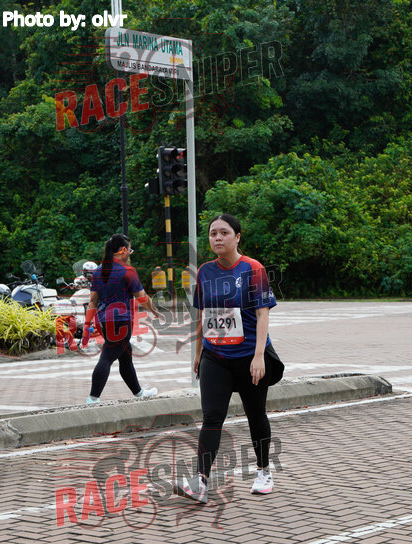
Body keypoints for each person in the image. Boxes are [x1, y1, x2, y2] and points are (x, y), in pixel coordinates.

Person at [175, 214, 283, 503]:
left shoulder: (253, 269)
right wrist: (198, 353)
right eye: (213, 234)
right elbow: (202, 315)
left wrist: (259, 356)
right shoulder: (205, 272)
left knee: (255, 414)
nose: (218, 238)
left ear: (237, 237)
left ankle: (263, 471)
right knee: (212, 417)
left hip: (249, 356)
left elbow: (262, 314)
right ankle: (200, 482)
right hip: (215, 356)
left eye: (224, 233)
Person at [83, 233, 160, 404]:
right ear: (123, 250)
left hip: (104, 320)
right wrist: (155, 311)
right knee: (108, 355)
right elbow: (142, 297)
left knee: (125, 355)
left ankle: (139, 393)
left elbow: (93, 302)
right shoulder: (127, 271)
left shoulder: (98, 271)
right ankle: (93, 398)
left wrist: (87, 323)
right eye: (129, 250)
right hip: (122, 320)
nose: (130, 254)